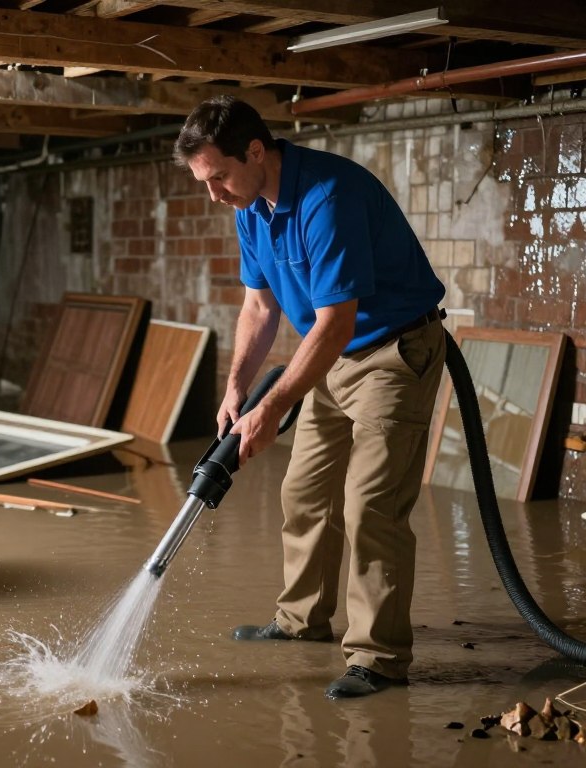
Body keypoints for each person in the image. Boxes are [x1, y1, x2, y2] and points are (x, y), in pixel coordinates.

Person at [173, 95, 447, 699]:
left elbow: (336, 322)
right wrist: (239, 385)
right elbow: (260, 305)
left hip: (389, 354)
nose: (214, 194)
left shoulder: (327, 196)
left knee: (370, 504)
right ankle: (303, 621)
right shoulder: (250, 206)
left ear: (255, 150)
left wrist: (273, 406)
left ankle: (378, 658)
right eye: (204, 183)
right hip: (332, 357)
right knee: (303, 491)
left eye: (217, 177)